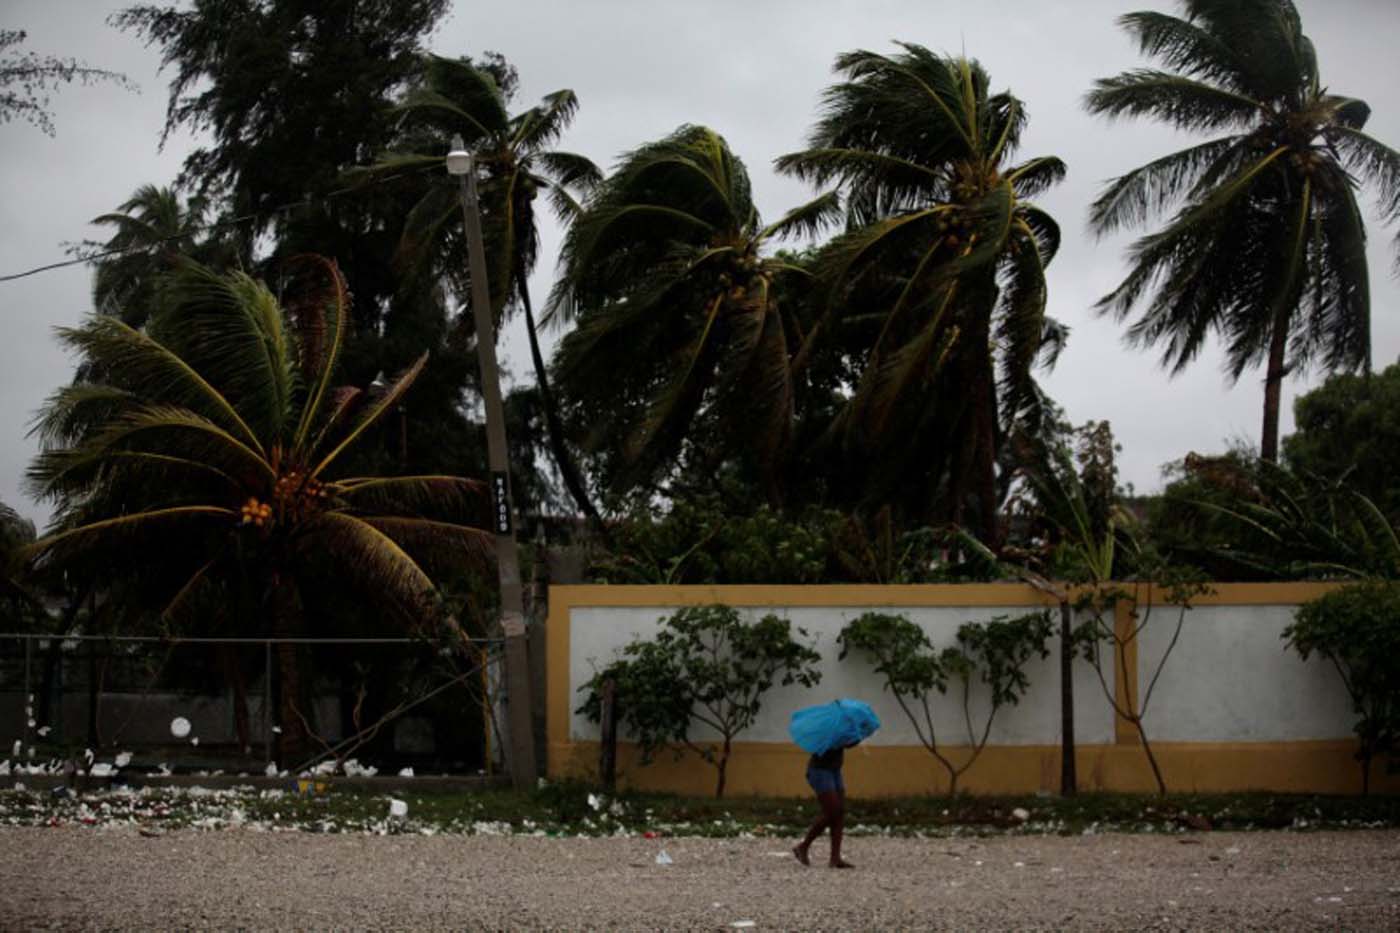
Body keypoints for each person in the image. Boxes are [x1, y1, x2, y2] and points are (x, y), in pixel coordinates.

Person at [792, 741, 855, 868]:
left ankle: (835, 858)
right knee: (833, 811)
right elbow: (829, 745)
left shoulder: (839, 725)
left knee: (839, 812)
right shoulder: (826, 729)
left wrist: (855, 738)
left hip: (835, 770)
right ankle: (803, 847)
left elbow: (846, 744)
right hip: (820, 771)